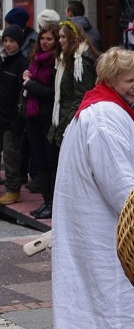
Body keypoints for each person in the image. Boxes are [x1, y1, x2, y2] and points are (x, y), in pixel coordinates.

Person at [52, 47, 134, 329]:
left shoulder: (104, 109)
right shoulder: (103, 116)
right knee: (102, 283)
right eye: (129, 79)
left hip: (97, 219)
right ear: (110, 79)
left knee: (108, 285)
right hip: (101, 221)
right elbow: (115, 177)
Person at [22, 24, 60, 219]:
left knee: (50, 160)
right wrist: (28, 79)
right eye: (42, 39)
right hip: (33, 116)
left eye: (49, 39)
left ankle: (53, 203)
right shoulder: (35, 59)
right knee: (39, 160)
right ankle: (46, 201)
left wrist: (30, 84)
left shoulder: (56, 62)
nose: (45, 42)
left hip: (48, 117)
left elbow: (52, 93)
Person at [48, 20, 97, 149]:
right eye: (59, 37)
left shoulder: (80, 61)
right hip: (62, 116)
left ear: (72, 37)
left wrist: (69, 124)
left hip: (71, 120)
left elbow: (81, 96)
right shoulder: (65, 59)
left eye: (63, 37)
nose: (60, 40)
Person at [0, 26, 28, 205]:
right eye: (5, 41)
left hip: (12, 119)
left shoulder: (21, 63)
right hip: (1, 115)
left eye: (12, 41)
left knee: (11, 154)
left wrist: (19, 119)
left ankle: (13, 189)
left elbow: (22, 93)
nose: (8, 45)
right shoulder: (3, 61)